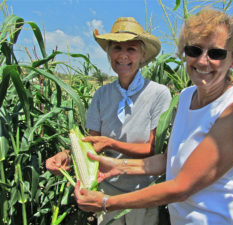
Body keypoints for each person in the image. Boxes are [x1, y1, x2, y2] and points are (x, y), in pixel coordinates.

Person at [73, 7, 233, 225]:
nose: (202, 61)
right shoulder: (186, 97)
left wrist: (108, 203)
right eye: (194, 50)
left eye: (216, 53)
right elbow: (168, 161)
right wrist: (114, 165)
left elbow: (181, 187)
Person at [46, 17, 172, 225]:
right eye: (116, 48)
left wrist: (111, 143)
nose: (123, 56)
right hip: (105, 192)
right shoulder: (101, 95)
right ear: (108, 54)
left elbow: (152, 148)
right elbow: (92, 143)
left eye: (131, 49)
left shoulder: (159, 93)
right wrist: (66, 156)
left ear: (142, 56)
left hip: (142, 193)